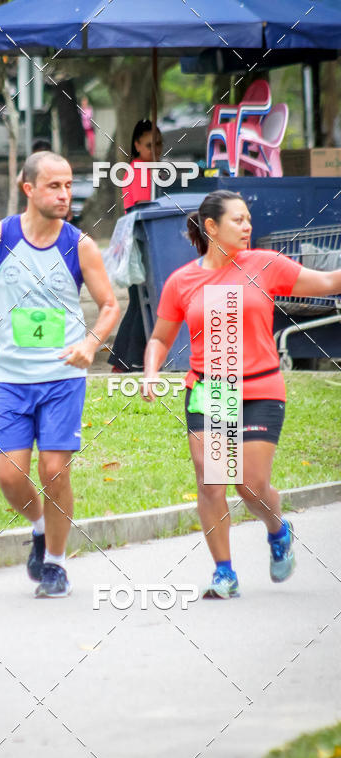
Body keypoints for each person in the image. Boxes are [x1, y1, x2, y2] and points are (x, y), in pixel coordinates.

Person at [142, 189, 341, 599]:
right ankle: (224, 572)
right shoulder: (183, 281)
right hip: (211, 389)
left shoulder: (265, 265)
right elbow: (159, 338)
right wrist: (149, 372)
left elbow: (325, 282)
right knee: (212, 481)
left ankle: (277, 527)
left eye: (249, 219)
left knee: (249, 485)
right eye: (239, 220)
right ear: (211, 227)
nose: (248, 226)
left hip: (261, 385)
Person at [0, 151, 120, 597]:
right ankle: (40, 526)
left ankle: (55, 563)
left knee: (54, 471)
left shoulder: (79, 245)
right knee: (9, 476)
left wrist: (89, 344)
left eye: (68, 185)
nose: (65, 194)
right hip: (11, 378)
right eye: (54, 186)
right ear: (28, 188)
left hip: (62, 378)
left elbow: (110, 304)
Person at [109, 119, 164, 372]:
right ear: (137, 145)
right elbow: (143, 208)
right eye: (150, 145)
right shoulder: (141, 171)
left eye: (159, 145)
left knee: (137, 300)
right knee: (142, 301)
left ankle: (121, 359)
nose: (156, 150)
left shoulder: (141, 169)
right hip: (139, 242)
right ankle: (128, 359)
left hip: (135, 241)